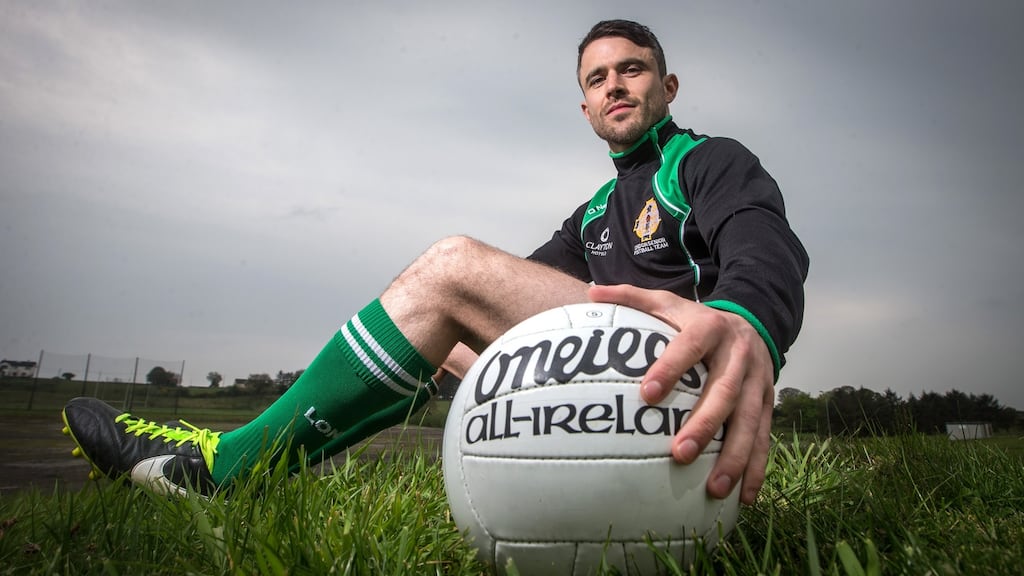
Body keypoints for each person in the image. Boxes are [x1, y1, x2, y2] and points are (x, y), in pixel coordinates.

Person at [62, 19, 808, 507]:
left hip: (690, 382)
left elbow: (765, 245)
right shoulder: (590, 217)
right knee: (444, 326)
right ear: (584, 107)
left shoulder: (707, 163)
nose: (614, 84)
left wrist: (745, 322)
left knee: (452, 267)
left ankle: (222, 467)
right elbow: (489, 308)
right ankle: (267, 458)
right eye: (596, 78)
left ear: (666, 87)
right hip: (610, 392)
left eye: (633, 69)